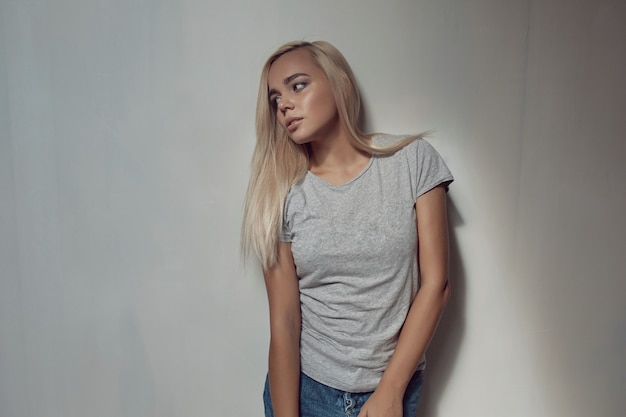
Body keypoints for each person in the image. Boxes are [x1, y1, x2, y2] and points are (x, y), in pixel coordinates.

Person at [241, 40, 454, 417]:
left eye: (298, 85)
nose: (284, 104)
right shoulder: (281, 192)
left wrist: (390, 391)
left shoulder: (412, 162)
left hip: (394, 389)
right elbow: (285, 324)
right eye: (275, 98)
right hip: (307, 392)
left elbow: (436, 284)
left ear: (340, 83)